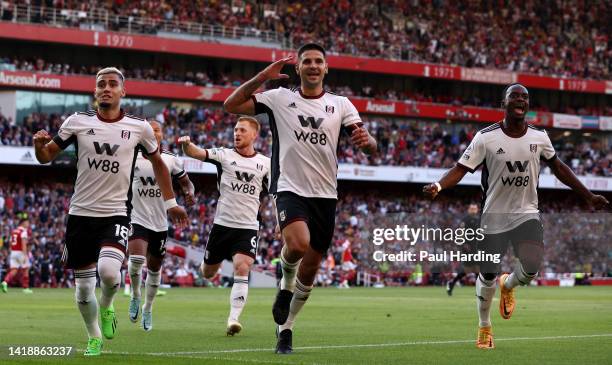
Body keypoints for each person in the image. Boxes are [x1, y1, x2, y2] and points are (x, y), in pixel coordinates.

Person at [423, 83, 609, 349]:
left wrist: (588, 195)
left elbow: (559, 167)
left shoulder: (539, 137)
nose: (521, 100)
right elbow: (461, 168)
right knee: (487, 274)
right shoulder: (485, 137)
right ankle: (484, 326)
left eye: (525, 97)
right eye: (515, 96)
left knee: (531, 266)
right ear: (504, 104)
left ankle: (508, 285)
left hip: (526, 212)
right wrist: (439, 186)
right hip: (493, 216)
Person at [224, 43, 377, 354]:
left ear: (326, 68)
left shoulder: (341, 104)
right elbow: (231, 104)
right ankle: (285, 283)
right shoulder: (280, 98)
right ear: (298, 68)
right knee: (297, 244)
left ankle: (286, 329)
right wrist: (262, 77)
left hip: (326, 195)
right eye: (306, 61)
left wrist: (368, 142)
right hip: (290, 188)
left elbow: (368, 144)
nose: (312, 65)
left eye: (318, 61)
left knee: (309, 272)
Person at [33, 67, 188, 356]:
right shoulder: (76, 122)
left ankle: (106, 306)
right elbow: (46, 157)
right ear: (95, 91)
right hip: (80, 214)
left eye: (112, 84)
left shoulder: (139, 127)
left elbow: (159, 164)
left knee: (108, 272)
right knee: (82, 290)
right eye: (101, 84)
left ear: (122, 91)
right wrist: (38, 147)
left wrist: (171, 203)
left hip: (115, 213)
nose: (106, 88)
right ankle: (94, 337)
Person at [179, 116, 270, 336]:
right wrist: (186, 144)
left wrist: (279, 221)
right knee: (209, 273)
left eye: (242, 130)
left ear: (254, 135)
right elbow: (198, 153)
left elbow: (276, 193)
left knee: (242, 266)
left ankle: (233, 319)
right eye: (235, 130)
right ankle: (207, 266)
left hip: (247, 227)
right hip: (222, 226)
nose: (237, 133)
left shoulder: (266, 164)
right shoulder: (224, 155)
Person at [127, 120, 195, 331]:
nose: (153, 133)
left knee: (155, 268)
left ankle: (148, 308)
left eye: (157, 130)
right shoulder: (131, 156)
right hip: (137, 217)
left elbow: (186, 182)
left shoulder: (171, 159)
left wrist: (189, 192)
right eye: (150, 130)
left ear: (162, 135)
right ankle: (136, 295)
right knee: (137, 259)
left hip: (160, 223)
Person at [446, 203, 480, 296]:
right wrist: (464, 244)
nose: (473, 210)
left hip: (476, 247)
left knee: (476, 269)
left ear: (477, 210)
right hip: (468, 248)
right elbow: (460, 232)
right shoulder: (465, 220)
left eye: (475, 208)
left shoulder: (478, 220)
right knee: (469, 270)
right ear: (469, 210)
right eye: (472, 208)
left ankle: (479, 292)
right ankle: (451, 283)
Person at [1, 217, 32, 294]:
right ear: (23, 223)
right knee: (26, 269)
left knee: (14, 270)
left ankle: (5, 282)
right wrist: (25, 255)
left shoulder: (14, 231)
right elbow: (23, 244)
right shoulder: (23, 231)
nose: (28, 224)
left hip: (13, 252)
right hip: (20, 252)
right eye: (27, 222)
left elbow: (10, 243)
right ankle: (26, 288)